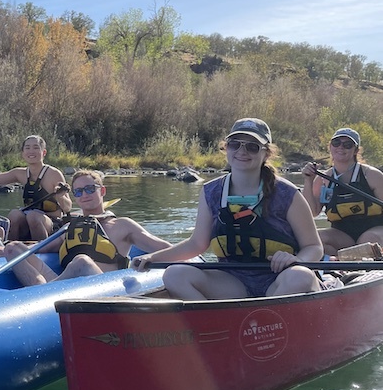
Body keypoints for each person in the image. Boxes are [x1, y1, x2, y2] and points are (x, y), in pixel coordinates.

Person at [133, 118, 323, 299]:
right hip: (232, 281)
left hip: (279, 281)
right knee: (174, 274)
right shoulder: (211, 192)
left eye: (252, 146)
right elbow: (197, 244)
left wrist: (295, 260)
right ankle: (215, 325)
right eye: (235, 144)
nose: (242, 151)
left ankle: (264, 321)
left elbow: (314, 247)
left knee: (302, 276)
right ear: (226, 148)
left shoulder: (287, 193)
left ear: (265, 154)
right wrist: (153, 258)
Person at [0, 170, 170, 286]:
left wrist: (190, 253)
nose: (84, 195)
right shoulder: (69, 227)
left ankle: (44, 293)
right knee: (13, 249)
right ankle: (41, 295)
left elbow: (162, 247)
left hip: (103, 287)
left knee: (82, 261)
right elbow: (36, 249)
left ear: (102, 191)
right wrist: (1, 249)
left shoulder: (122, 225)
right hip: (62, 286)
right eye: (79, 192)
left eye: (89, 189)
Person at [301, 128, 383, 257]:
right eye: (336, 143)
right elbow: (312, 212)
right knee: (315, 239)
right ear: (330, 146)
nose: (341, 147)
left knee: (367, 240)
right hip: (342, 234)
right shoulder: (321, 179)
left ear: (355, 150)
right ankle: (340, 265)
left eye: (347, 145)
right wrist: (308, 180)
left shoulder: (372, 175)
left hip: (374, 230)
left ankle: (360, 262)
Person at [0, 135, 72, 240]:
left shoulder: (54, 174)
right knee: (14, 214)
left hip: (52, 222)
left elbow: (68, 207)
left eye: (36, 148)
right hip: (29, 219)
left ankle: (40, 251)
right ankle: (9, 248)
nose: (31, 151)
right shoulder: (19, 173)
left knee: (33, 216)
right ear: (23, 154)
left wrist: (60, 196)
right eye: (27, 148)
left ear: (43, 152)